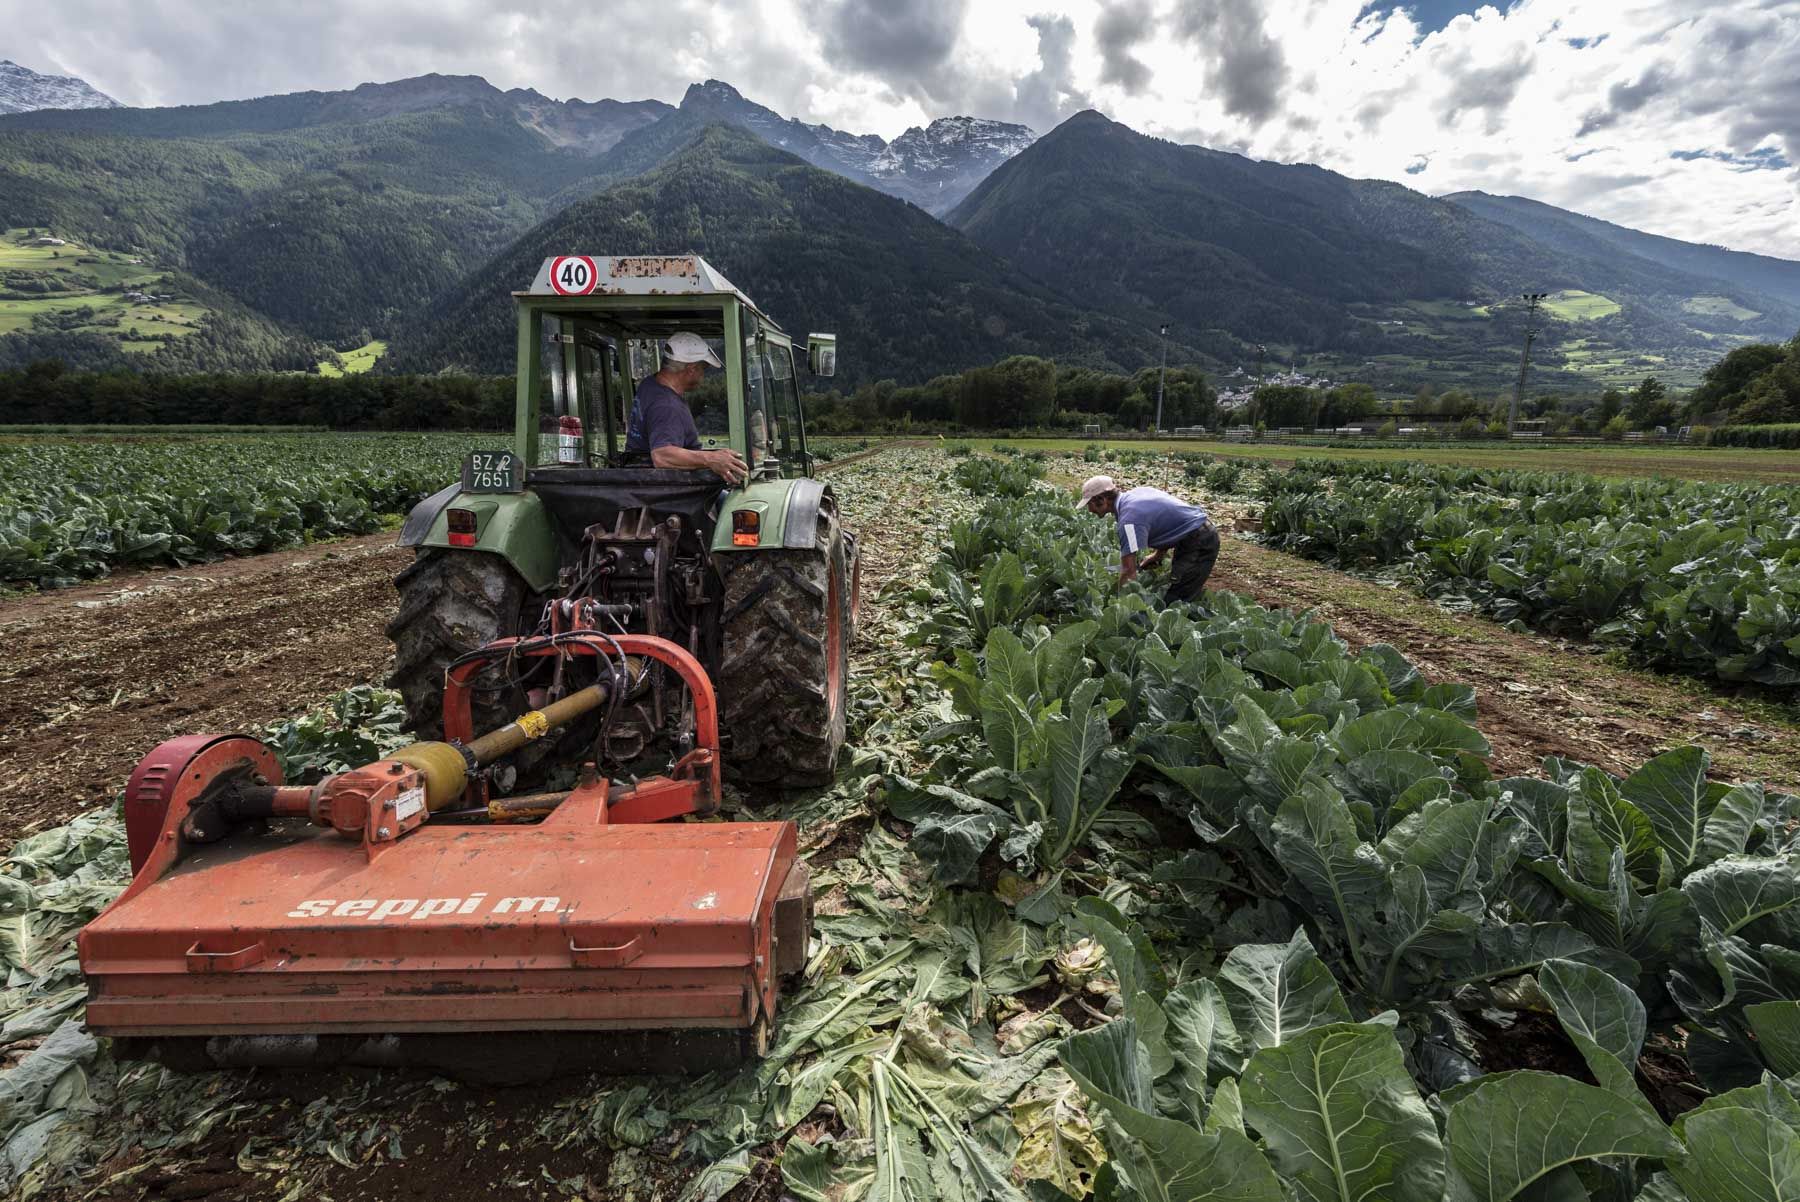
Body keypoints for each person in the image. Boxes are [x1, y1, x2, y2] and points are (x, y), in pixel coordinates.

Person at [623, 332, 748, 484]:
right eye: (703, 369)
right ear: (691, 369)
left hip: (641, 482)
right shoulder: (666, 406)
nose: (703, 375)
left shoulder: (650, 384)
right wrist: (711, 458)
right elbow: (662, 455)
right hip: (664, 492)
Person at [1078, 474, 1219, 604]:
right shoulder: (1136, 494)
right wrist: (1158, 555)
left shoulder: (1129, 521)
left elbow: (1128, 570)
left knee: (1177, 600)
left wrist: (1120, 605)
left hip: (1200, 540)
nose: (1090, 510)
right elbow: (1166, 522)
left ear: (1102, 500)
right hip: (1194, 533)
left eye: (1089, 504)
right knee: (1182, 583)